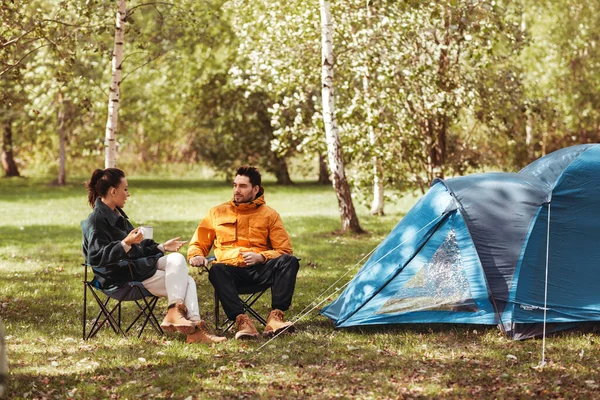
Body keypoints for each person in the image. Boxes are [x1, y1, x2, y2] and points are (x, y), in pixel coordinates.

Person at [81, 168, 225, 344]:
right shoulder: (96, 221)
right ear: (113, 191)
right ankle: (192, 329)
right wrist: (125, 243)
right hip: (119, 278)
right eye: (125, 189)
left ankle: (175, 312)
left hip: (136, 268)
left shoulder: (118, 216)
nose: (128, 194)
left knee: (177, 258)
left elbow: (139, 247)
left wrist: (161, 247)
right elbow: (95, 258)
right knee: (187, 282)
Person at [188, 165, 300, 340]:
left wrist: (262, 257)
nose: (236, 190)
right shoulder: (217, 212)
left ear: (255, 189)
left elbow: (284, 250)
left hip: (260, 272)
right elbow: (198, 242)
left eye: (242, 186)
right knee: (217, 270)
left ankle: (276, 319)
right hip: (230, 274)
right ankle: (242, 322)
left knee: (289, 261)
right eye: (235, 185)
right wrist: (196, 255)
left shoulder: (270, 215)